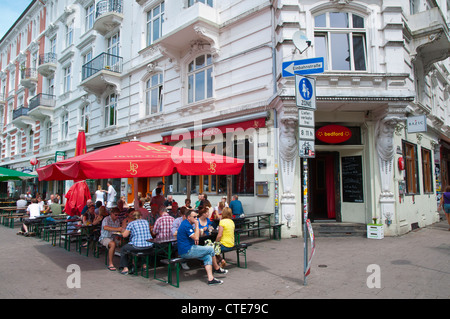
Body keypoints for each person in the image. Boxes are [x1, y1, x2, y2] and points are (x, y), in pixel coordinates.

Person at [177, 209, 227, 285]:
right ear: (188, 217)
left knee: (207, 256)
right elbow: (196, 237)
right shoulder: (186, 225)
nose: (196, 218)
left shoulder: (187, 224)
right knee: (210, 249)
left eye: (196, 216)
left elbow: (193, 236)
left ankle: (211, 279)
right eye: (194, 217)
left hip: (188, 248)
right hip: (187, 250)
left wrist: (195, 237)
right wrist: (197, 226)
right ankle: (217, 268)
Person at [119, 210, 154, 275]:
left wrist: (123, 231)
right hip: (149, 245)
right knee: (142, 248)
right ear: (140, 216)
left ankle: (125, 268)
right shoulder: (146, 222)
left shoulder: (131, 223)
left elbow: (124, 235)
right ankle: (144, 265)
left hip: (138, 246)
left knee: (123, 249)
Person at [99, 207, 123, 271]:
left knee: (124, 243)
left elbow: (117, 231)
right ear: (111, 214)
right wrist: (117, 229)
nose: (117, 216)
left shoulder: (117, 220)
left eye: (118, 215)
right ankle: (110, 263)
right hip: (105, 237)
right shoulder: (106, 219)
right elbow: (105, 227)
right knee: (112, 244)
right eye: (116, 215)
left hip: (114, 237)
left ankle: (125, 263)